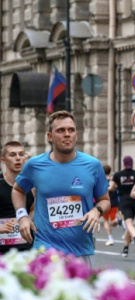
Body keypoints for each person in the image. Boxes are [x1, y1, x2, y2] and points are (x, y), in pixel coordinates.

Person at [13, 111, 110, 267]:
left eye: (71, 130)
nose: (67, 134)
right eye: (61, 130)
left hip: (81, 250)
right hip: (45, 248)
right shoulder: (35, 165)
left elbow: (105, 200)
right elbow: (18, 190)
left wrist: (96, 211)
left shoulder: (92, 165)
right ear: (49, 136)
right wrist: (22, 216)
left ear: (76, 135)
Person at [0, 141, 33, 254]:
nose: (18, 158)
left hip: (27, 249)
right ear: (3, 160)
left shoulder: (32, 186)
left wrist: (26, 219)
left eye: (21, 154)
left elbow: (34, 210)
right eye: (13, 155)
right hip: (2, 251)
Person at [112, 156, 135, 257]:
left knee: (129, 224)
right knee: (129, 225)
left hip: (124, 202)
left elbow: (111, 187)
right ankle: (125, 248)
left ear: (123, 163)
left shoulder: (118, 175)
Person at [101, 164, 120, 246]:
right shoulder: (113, 180)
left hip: (104, 202)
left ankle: (110, 238)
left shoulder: (101, 180)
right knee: (112, 220)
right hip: (114, 202)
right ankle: (116, 220)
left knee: (105, 221)